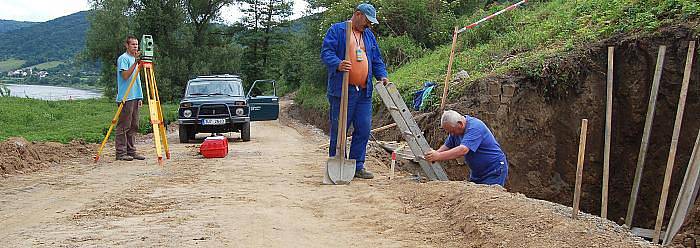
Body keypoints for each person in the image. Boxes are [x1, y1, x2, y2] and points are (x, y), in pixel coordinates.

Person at [321, 3, 389, 179]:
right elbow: (326, 53)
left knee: (364, 128)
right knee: (340, 128)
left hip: (364, 92)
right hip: (343, 91)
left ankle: (357, 165)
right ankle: (337, 161)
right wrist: (338, 63)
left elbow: (376, 59)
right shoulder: (337, 30)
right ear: (358, 14)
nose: (369, 25)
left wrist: (382, 75)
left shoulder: (368, 36)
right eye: (367, 20)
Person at [425, 110, 508, 186]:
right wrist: (435, 154)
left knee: (488, 199)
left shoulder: (475, 127)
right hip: (477, 173)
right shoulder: (455, 130)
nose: (452, 134)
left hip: (493, 170)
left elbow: (463, 150)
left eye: (452, 131)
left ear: (460, 124)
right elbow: (447, 145)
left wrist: (438, 156)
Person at [115, 35, 145, 161]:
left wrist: (140, 96)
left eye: (137, 45)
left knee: (134, 125)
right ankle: (121, 153)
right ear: (127, 45)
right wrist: (135, 63)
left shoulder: (134, 60)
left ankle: (131, 151)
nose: (135, 47)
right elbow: (126, 75)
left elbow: (137, 80)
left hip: (135, 96)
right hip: (126, 97)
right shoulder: (124, 59)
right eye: (133, 44)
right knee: (124, 125)